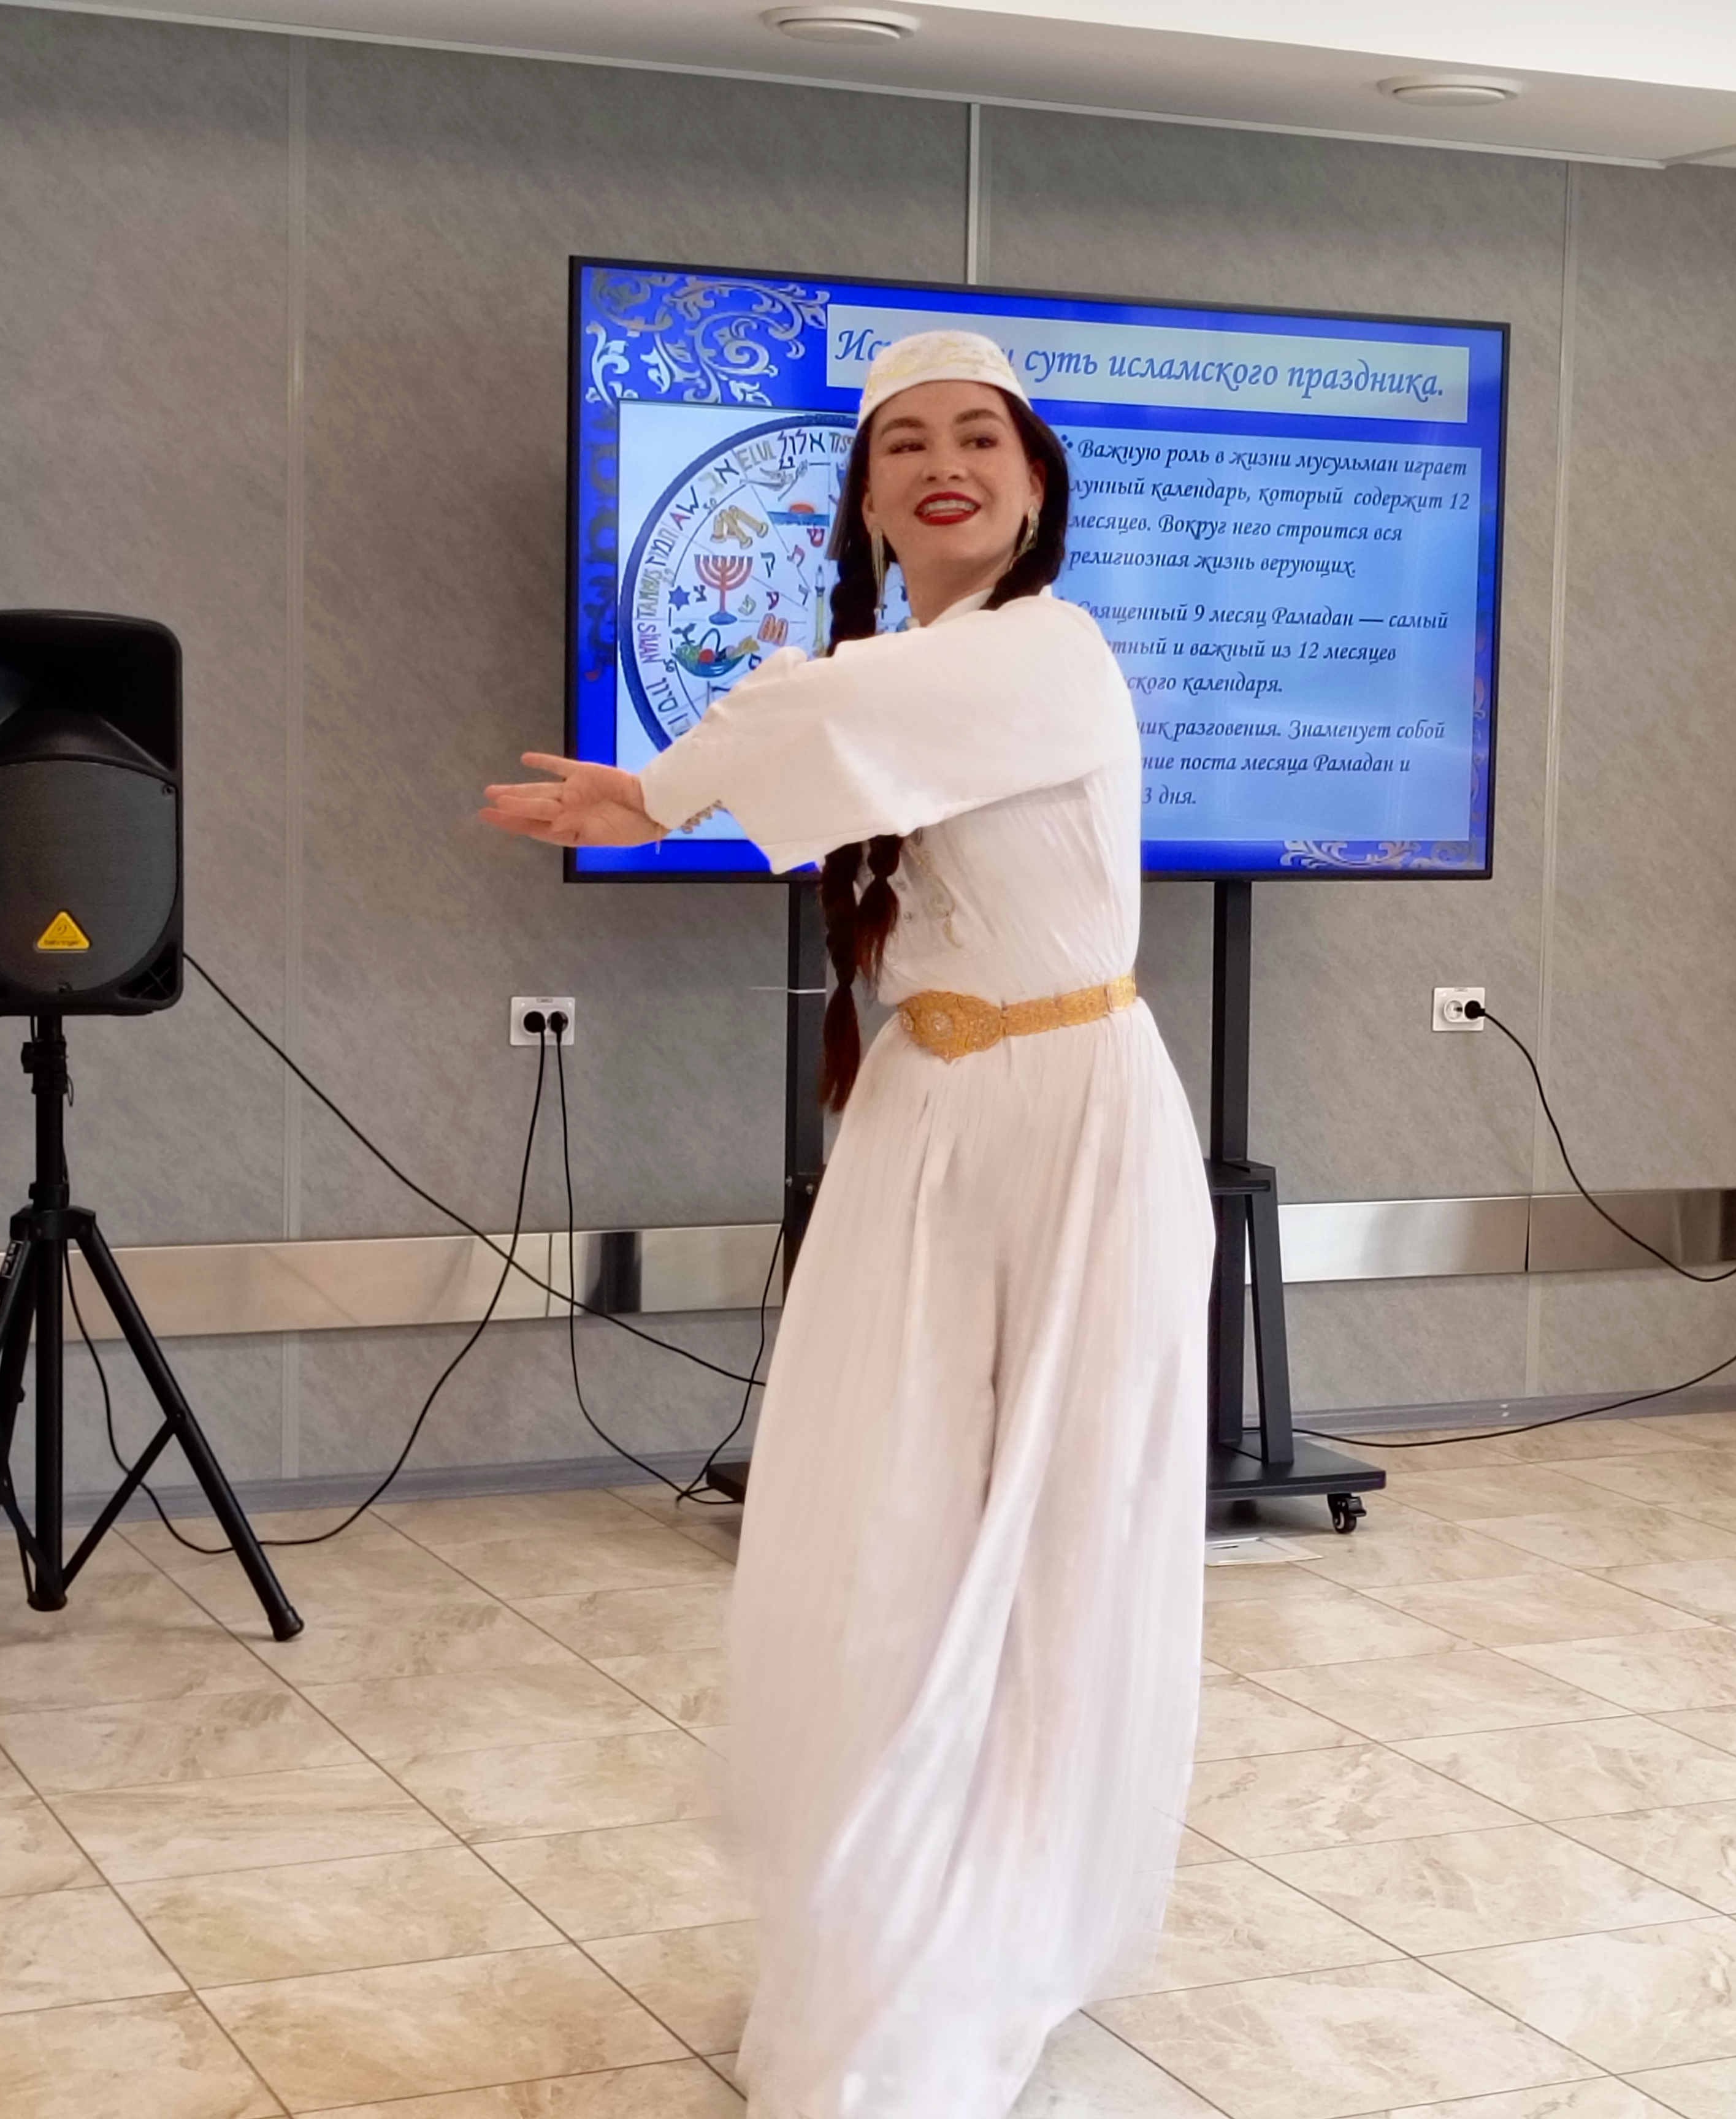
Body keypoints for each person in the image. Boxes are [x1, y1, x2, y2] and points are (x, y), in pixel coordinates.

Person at [480, 332, 1213, 2119]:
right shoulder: (908, 680)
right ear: (870, 503)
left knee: (1051, 1542)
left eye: (979, 439)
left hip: (1074, 1122)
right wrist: (658, 793)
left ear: (1034, 487)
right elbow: (839, 719)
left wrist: (659, 792)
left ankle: (990, 1936)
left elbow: (826, 708)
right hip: (927, 1115)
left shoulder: (1046, 650)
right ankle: (888, 1930)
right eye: (904, 446)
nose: (943, 464)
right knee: (889, 1525)